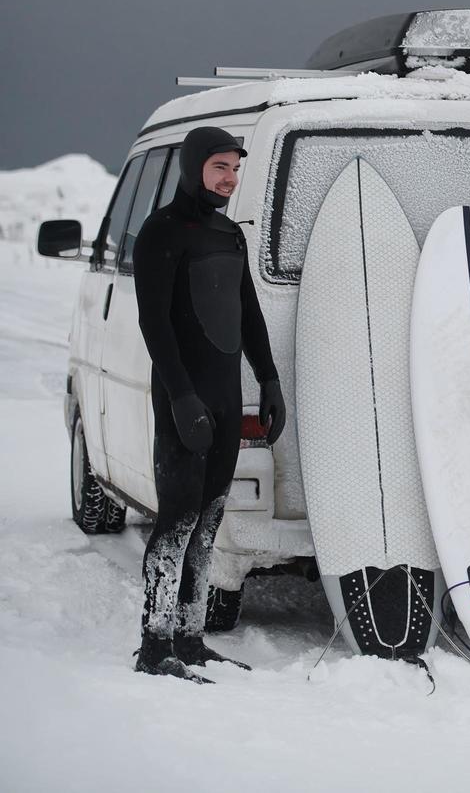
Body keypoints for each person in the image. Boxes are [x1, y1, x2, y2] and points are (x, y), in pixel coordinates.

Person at [131, 126, 286, 682]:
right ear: (195, 165)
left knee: (208, 522)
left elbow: (248, 314)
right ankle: (155, 643)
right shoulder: (161, 233)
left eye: (235, 168)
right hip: (185, 401)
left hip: (223, 398)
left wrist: (267, 380)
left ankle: (190, 637)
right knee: (176, 522)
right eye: (220, 166)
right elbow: (154, 323)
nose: (229, 178)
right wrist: (180, 396)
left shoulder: (229, 234)